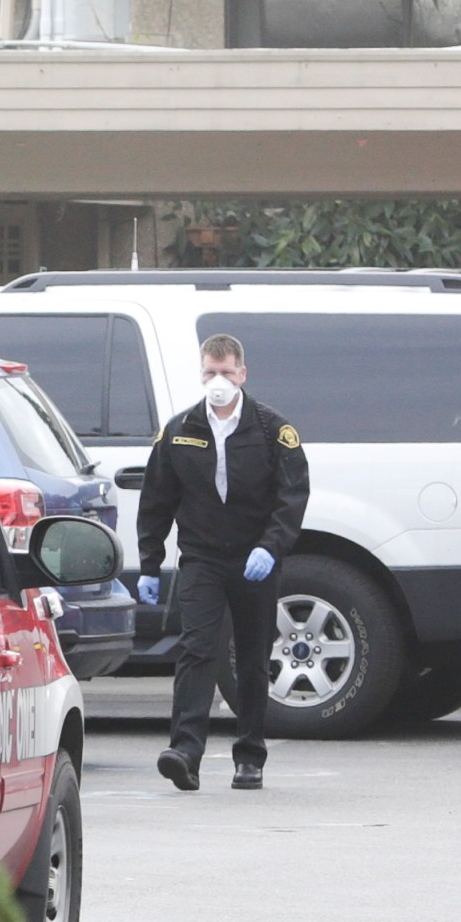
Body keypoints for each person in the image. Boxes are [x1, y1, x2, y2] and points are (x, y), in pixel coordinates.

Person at [134, 333, 309, 791]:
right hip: (202, 558)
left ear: (242, 374)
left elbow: (292, 497)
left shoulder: (273, 431)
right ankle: (185, 752)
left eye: (227, 373)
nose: (218, 382)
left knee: (251, 657)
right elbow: (156, 499)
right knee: (196, 648)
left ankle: (250, 756)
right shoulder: (179, 430)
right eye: (210, 373)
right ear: (201, 374)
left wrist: (270, 547)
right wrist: (150, 564)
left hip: (255, 559)